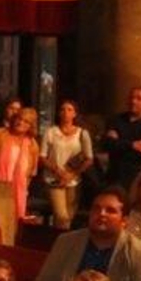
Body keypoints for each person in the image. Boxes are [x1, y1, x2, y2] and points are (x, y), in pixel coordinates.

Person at [36, 186, 141, 281]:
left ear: (125, 221)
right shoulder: (66, 242)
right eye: (96, 208)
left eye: (110, 211)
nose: (101, 214)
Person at [41, 98, 93, 229]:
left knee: (68, 217)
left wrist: (72, 174)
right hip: (54, 178)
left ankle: (60, 244)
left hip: (73, 179)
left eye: (69, 110)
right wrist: (57, 171)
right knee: (61, 216)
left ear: (75, 113)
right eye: (63, 109)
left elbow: (89, 158)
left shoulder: (82, 133)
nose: (66, 112)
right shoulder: (51, 132)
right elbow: (42, 156)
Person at [101, 86, 141, 189]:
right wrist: (132, 145)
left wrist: (119, 143)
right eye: (131, 98)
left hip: (139, 179)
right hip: (115, 177)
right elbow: (107, 144)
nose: (133, 101)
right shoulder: (116, 120)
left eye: (139, 99)